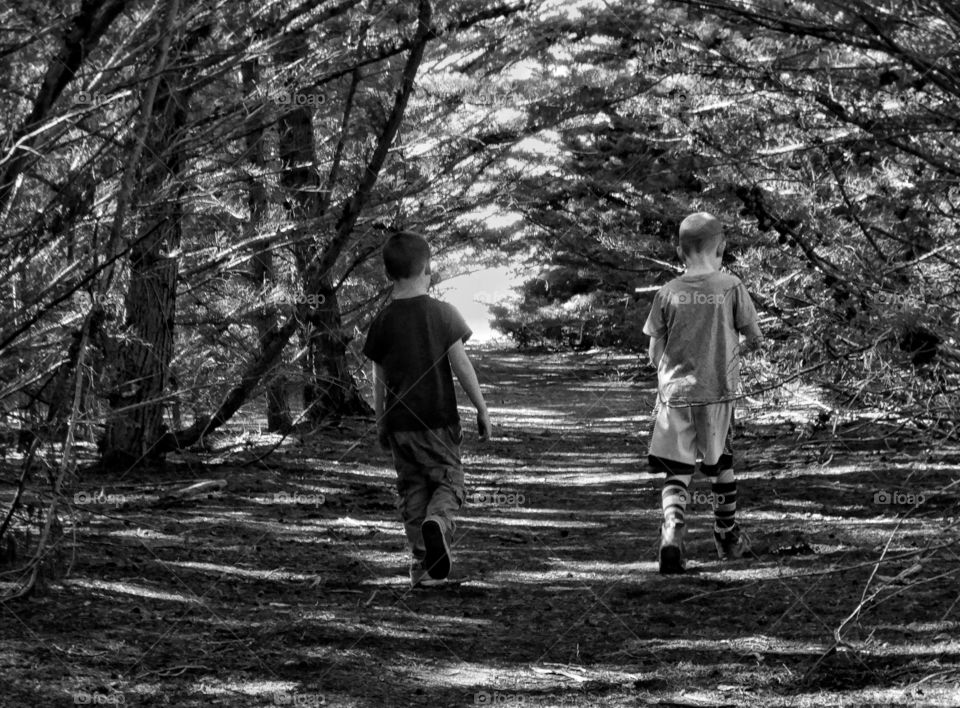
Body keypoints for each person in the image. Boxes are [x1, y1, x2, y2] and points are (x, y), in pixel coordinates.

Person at [363, 231, 491, 587]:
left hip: (400, 423)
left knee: (412, 489)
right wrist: (481, 408)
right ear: (427, 270)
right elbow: (462, 365)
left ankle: (423, 566)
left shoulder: (383, 321)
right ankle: (438, 523)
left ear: (389, 275)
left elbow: (378, 381)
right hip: (439, 420)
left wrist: (380, 423)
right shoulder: (444, 314)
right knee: (450, 480)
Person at [643, 212, 762, 574]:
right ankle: (726, 533)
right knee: (721, 467)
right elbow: (754, 337)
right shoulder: (731, 287)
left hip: (676, 396)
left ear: (680, 251)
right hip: (718, 395)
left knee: (676, 471)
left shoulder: (667, 293)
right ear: (722, 247)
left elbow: (653, 353)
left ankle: (673, 527)